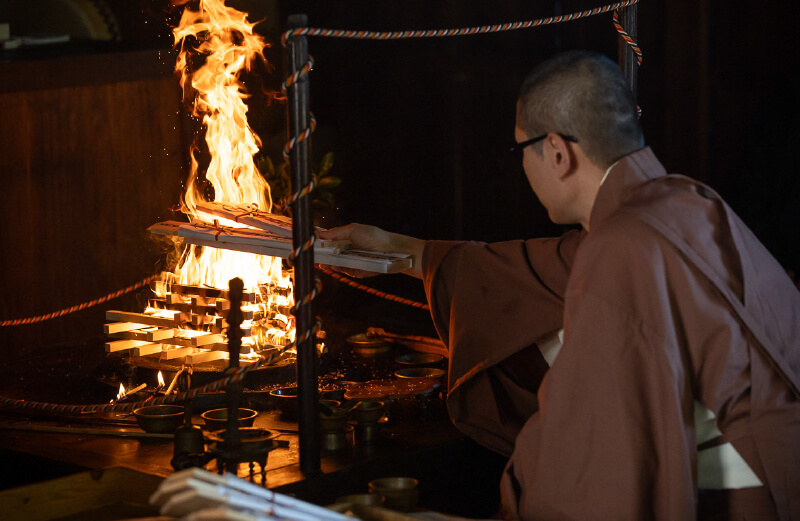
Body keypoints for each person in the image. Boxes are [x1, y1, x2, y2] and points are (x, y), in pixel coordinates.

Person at [318, 50, 800, 520]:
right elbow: (531, 267)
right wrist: (399, 249)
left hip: (751, 497)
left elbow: (590, 461)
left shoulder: (619, 250)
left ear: (555, 151)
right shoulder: (683, 201)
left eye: (519, 149)